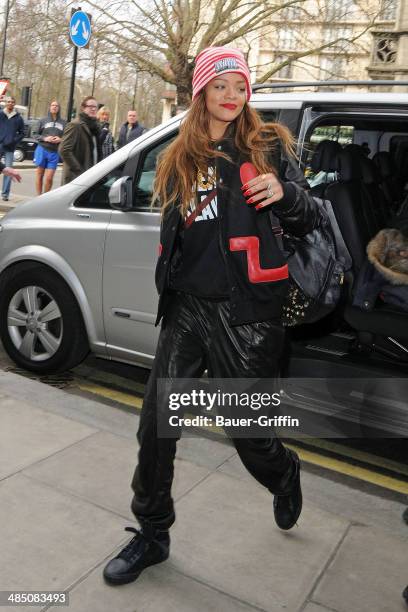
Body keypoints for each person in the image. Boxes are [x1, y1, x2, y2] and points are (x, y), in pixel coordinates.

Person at [103, 46, 321, 586]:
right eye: (220, 86)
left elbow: (313, 216)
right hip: (187, 309)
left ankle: (283, 471)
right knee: (157, 427)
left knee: (248, 435)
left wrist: (285, 193)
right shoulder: (181, 152)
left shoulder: (268, 145)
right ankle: (151, 533)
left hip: (248, 316)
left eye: (239, 86)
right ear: (202, 92)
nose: (231, 95)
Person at [58, 96, 102, 185]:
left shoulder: (95, 127)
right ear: (83, 108)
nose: (93, 109)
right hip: (76, 178)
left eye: (95, 107)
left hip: (90, 175)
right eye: (90, 106)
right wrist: (79, 171)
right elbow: (64, 150)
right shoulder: (75, 125)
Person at [34, 100, 66, 195]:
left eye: (56, 105)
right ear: (50, 107)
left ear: (59, 108)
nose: (54, 107)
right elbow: (34, 134)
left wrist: (61, 139)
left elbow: (68, 137)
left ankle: (44, 197)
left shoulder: (64, 123)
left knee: (49, 178)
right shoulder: (42, 120)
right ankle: (38, 197)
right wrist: (45, 138)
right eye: (52, 105)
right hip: (42, 149)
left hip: (54, 152)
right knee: (39, 175)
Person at [0, 96, 25, 201]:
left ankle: (5, 194)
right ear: (5, 103)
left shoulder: (19, 118)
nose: (10, 103)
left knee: (9, 171)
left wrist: (14, 140)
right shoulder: (0, 114)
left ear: (14, 104)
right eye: (8, 101)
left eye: (12, 102)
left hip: (10, 147)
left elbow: (22, 133)